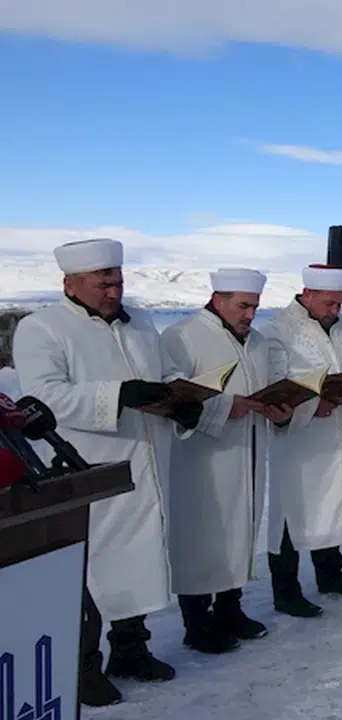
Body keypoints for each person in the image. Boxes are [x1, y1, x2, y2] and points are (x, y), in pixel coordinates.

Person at [13, 238, 205, 705]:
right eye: (103, 284)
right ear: (70, 284)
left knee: (139, 558)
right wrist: (118, 395)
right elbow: (43, 398)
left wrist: (182, 402)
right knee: (92, 565)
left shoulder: (140, 322)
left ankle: (130, 649)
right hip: (89, 466)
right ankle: (82, 666)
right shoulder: (43, 328)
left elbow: (165, 373)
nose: (114, 291)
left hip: (146, 459)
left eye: (118, 281)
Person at [160, 268, 292, 656]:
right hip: (200, 459)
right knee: (201, 537)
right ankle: (196, 623)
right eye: (243, 306)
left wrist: (281, 412)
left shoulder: (259, 343)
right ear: (218, 299)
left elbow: (272, 386)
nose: (250, 315)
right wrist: (221, 408)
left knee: (239, 531)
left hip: (248, 451)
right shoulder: (181, 336)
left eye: (255, 307)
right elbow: (172, 396)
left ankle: (230, 609)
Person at [261, 264, 342, 616]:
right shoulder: (278, 330)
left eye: (338, 303)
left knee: (331, 507)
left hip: (336, 433)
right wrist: (314, 404)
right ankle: (286, 591)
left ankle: (331, 575)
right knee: (290, 515)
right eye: (328, 303)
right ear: (308, 294)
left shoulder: (341, 325)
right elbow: (277, 381)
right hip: (299, 441)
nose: (334, 310)